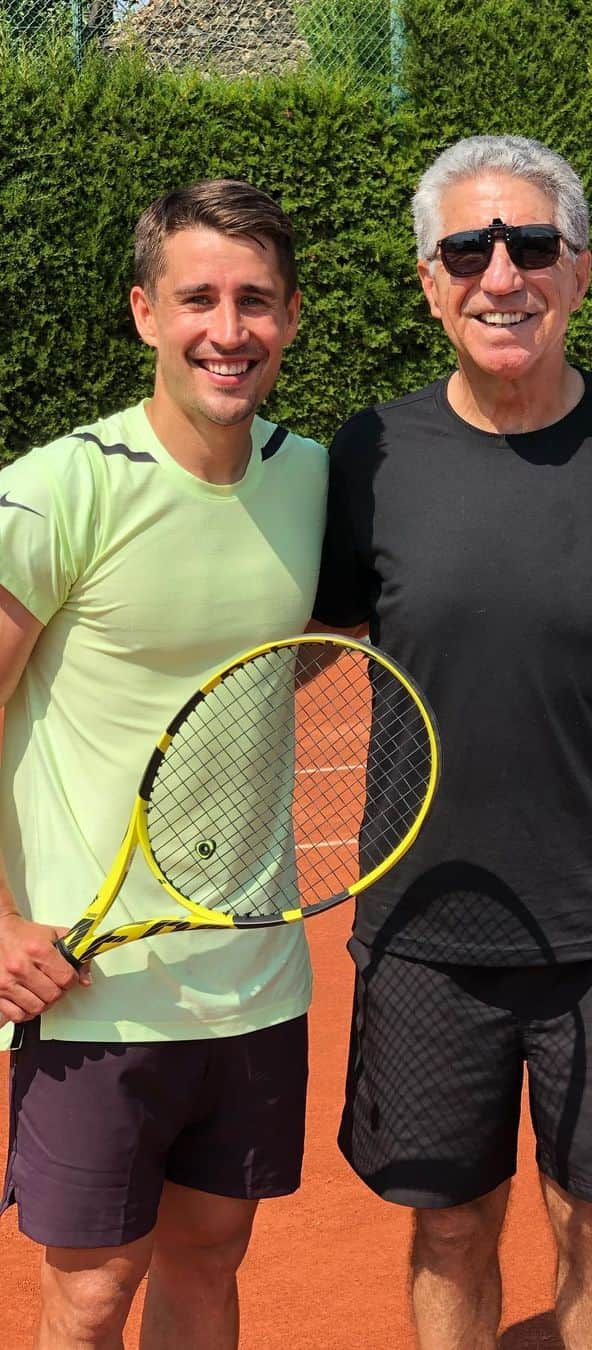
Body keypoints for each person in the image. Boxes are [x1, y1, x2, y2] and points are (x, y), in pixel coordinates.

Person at [313, 134, 592, 1350]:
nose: (502, 274)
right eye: (469, 249)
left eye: (532, 245)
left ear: (580, 271)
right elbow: (298, 643)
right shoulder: (370, 455)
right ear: (429, 281)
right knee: (449, 1229)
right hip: (421, 933)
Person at [0, 180, 326, 1349]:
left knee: (209, 1256)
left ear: (289, 317)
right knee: (91, 1288)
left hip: (256, 975)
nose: (225, 330)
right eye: (197, 298)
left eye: (254, 301)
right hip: (93, 984)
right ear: (145, 312)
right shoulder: (57, 490)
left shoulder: (314, 479)